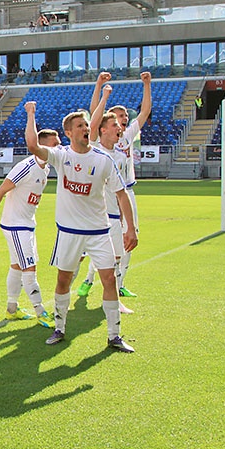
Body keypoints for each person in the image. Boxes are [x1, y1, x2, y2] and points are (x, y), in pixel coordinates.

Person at [24, 101, 138, 352]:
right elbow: (33, 145)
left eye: (87, 125)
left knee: (109, 278)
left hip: (99, 232)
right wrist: (31, 114)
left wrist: (129, 228)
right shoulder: (61, 155)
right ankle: (60, 328)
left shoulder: (103, 159)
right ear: (69, 133)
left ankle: (114, 335)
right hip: (69, 233)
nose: (86, 128)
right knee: (63, 280)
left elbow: (121, 194)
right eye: (80, 126)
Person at [0, 114, 59, 329]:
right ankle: (40, 310)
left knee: (17, 266)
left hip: (26, 224)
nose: (58, 148)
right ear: (42, 145)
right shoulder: (26, 166)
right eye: (55, 144)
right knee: (29, 267)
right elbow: (1, 190)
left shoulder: (47, 168)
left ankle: (11, 309)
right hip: (16, 225)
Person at [81, 71, 151, 299]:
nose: (122, 118)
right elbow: (94, 116)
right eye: (117, 115)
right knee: (104, 242)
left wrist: (147, 85)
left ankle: (119, 284)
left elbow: (145, 112)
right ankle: (89, 279)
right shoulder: (101, 141)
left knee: (128, 238)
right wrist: (101, 88)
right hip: (104, 195)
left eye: (124, 115)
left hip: (126, 192)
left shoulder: (127, 136)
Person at [78, 84, 136, 315]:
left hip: (112, 217)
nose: (120, 128)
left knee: (115, 259)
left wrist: (126, 223)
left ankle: (113, 301)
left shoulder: (120, 157)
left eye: (120, 125)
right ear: (102, 130)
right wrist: (104, 94)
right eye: (115, 125)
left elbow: (120, 192)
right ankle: (59, 303)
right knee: (72, 265)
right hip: (91, 217)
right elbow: (94, 119)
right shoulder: (96, 150)